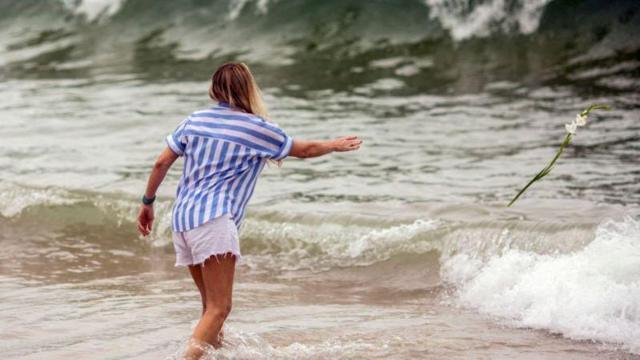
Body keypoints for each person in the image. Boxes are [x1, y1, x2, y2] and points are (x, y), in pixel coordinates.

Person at [136, 62, 362, 359]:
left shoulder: (195, 120)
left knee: (210, 309)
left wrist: (148, 203)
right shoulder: (256, 128)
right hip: (213, 221)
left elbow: (161, 163)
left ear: (214, 89)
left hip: (183, 220)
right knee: (220, 309)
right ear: (248, 89)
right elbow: (304, 150)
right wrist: (333, 145)